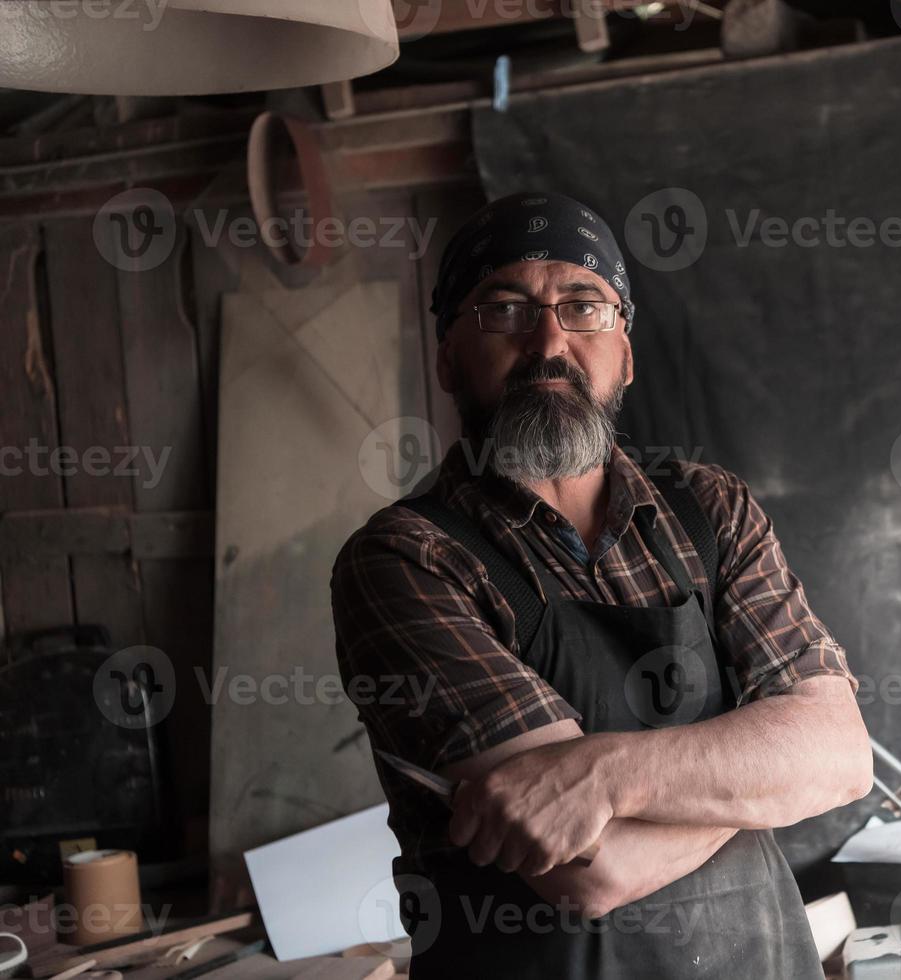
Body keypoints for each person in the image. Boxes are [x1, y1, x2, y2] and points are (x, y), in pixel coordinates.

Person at [331, 190, 872, 978]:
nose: (549, 340)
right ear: (448, 355)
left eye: (583, 306)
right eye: (504, 308)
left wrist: (600, 772)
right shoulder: (406, 560)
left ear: (624, 350)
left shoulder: (711, 510)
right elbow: (594, 870)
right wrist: (760, 774)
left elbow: (842, 758)